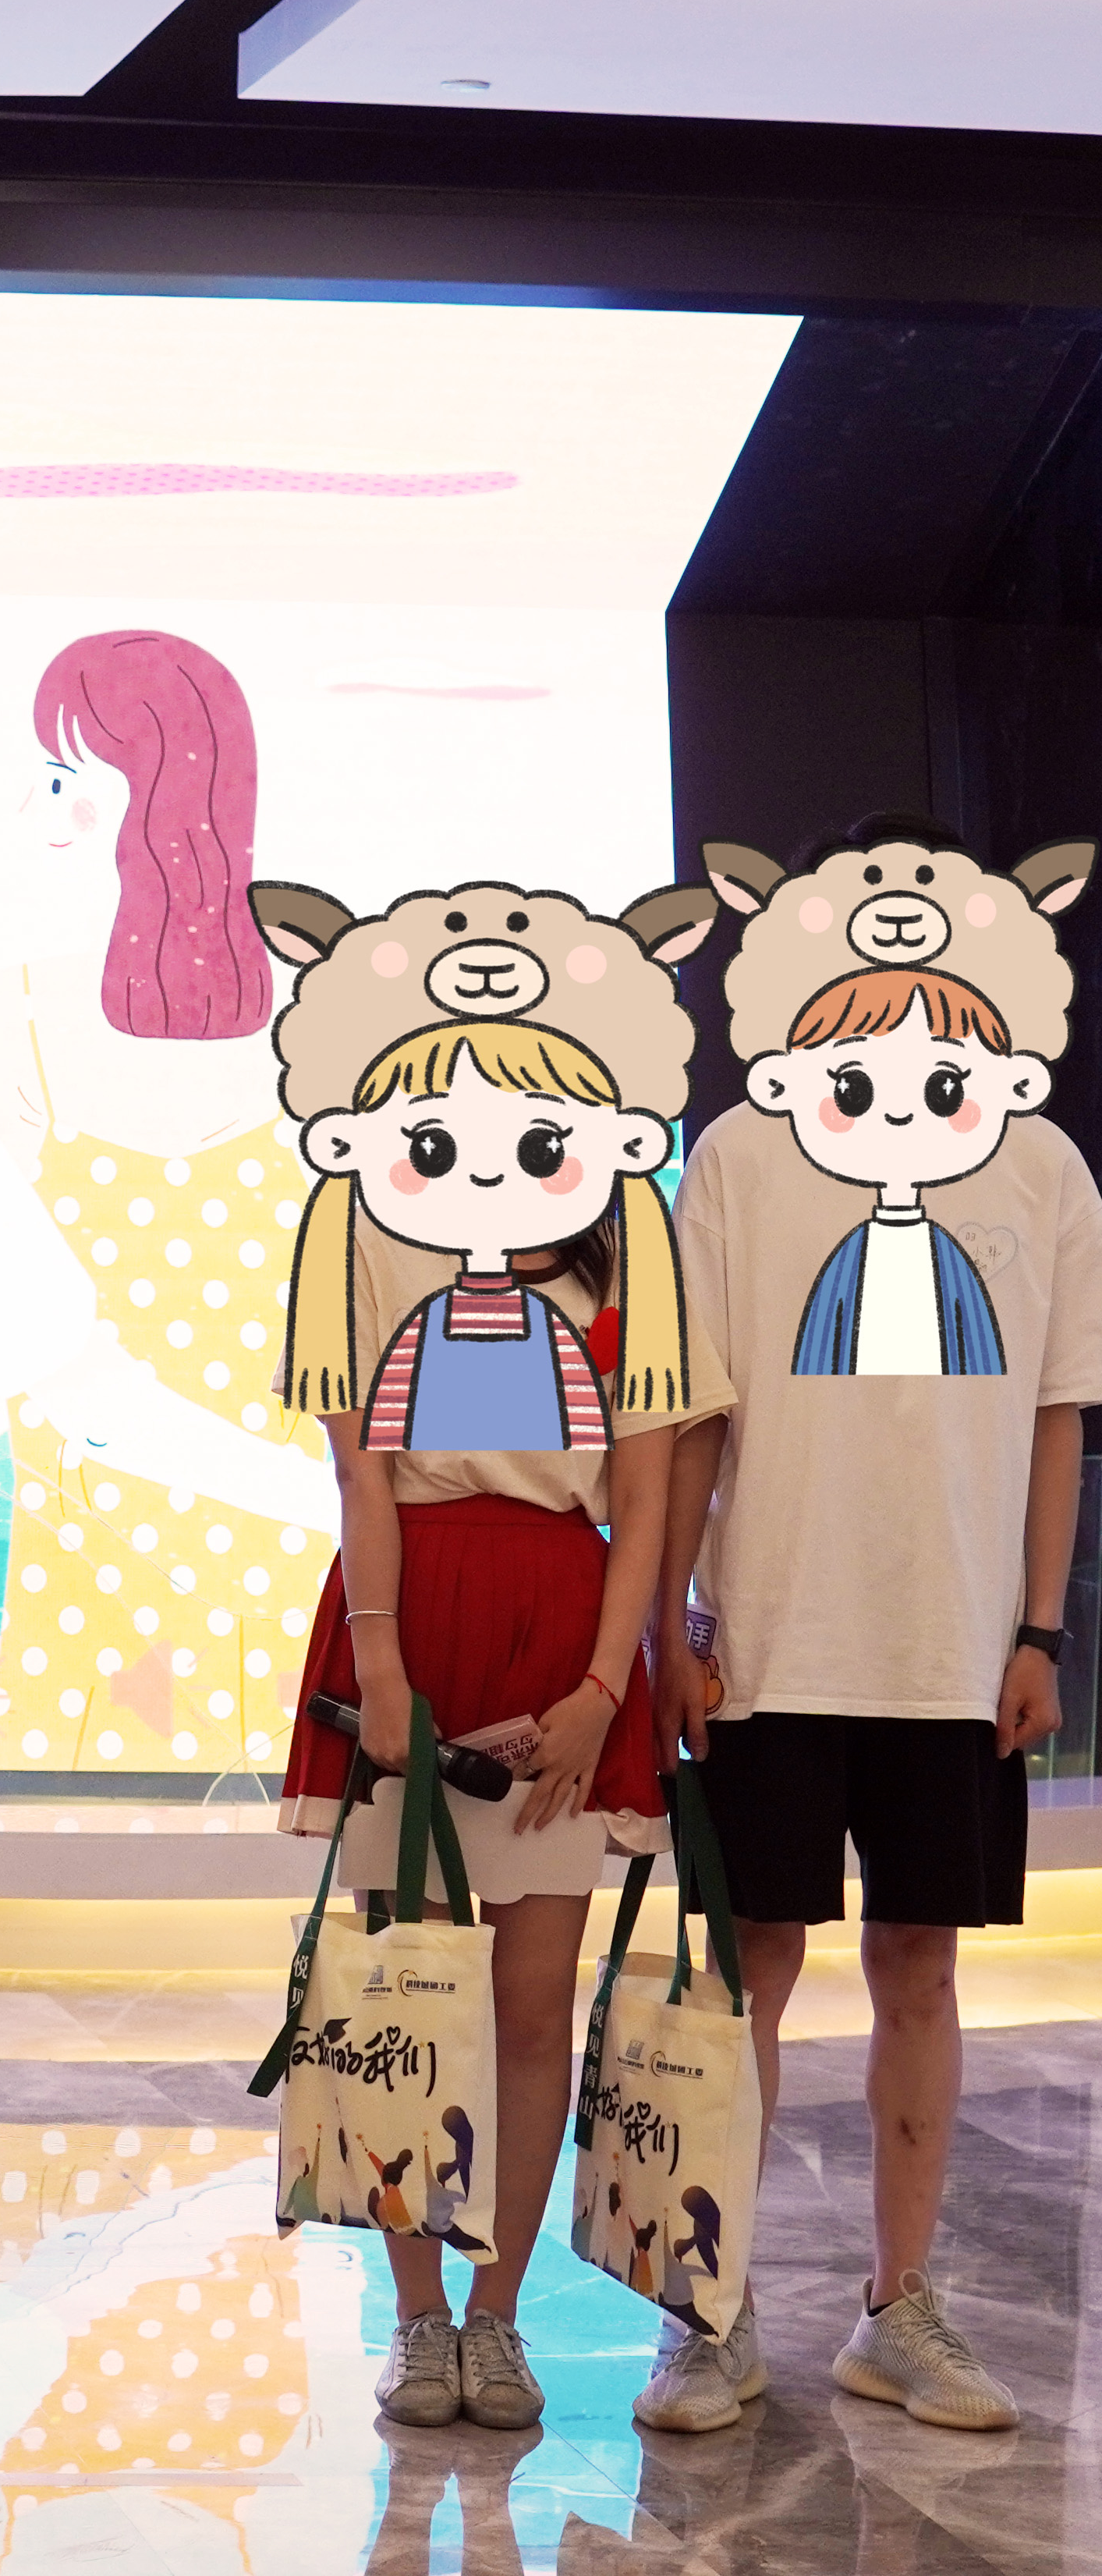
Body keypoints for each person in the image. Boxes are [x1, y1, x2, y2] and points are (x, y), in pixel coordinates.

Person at [652, 860, 1102, 2437]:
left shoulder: (1041, 1162)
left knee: (921, 1965)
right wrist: (670, 1621)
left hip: (955, 1649)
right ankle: (710, 2314)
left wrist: (1037, 1628)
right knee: (751, 1972)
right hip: (771, 1638)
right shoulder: (736, 1153)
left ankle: (898, 2308)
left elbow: (1056, 1416)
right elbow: (695, 1411)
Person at [275, 1020, 708, 2432]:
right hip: (408, 1600)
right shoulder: (365, 1230)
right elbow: (359, 1471)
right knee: (405, 1993)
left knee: (528, 2006)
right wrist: (379, 1660)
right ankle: (414, 2322)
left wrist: (601, 1690)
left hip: (563, 1618)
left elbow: (643, 1497)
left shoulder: (628, 1259)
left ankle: (497, 2321)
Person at [0, 628, 344, 1783]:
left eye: (68, 777)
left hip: (125, 1518)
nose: (37, 808)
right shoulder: (316, 1015)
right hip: (263, 1505)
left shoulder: (5, 1023)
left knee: (94, 1797)